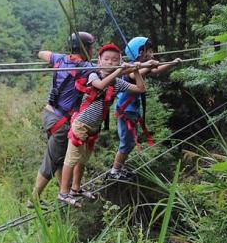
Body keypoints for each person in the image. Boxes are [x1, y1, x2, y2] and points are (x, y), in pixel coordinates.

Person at [58, 43, 146, 208]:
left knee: (83, 160)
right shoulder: (93, 74)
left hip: (93, 127)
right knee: (71, 158)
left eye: (115, 60)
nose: (111, 62)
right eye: (106, 59)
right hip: (80, 124)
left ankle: (76, 189)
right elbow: (100, 85)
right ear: (99, 61)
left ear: (120, 60)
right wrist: (121, 70)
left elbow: (140, 88)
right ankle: (63, 193)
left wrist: (135, 71)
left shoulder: (118, 83)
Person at [29, 31, 95, 206]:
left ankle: (62, 191)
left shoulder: (59, 59)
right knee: (52, 160)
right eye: (91, 46)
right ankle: (34, 199)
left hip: (49, 114)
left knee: (58, 158)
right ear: (86, 48)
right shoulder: (88, 68)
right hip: (60, 122)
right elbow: (106, 73)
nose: (94, 49)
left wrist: (57, 59)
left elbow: (41, 53)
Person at [108, 37, 181, 180]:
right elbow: (134, 74)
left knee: (128, 144)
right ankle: (114, 171)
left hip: (132, 111)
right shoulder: (130, 67)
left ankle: (118, 169)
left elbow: (156, 71)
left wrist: (172, 63)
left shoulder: (140, 66)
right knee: (126, 144)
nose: (152, 53)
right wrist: (147, 65)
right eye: (149, 50)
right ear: (140, 52)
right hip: (126, 111)